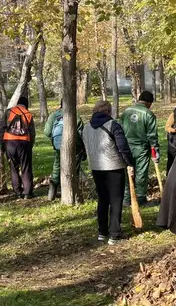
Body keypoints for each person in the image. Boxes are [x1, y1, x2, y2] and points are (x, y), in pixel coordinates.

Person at [83, 101, 135, 245]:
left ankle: (102, 232)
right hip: (113, 167)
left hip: (96, 167)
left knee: (102, 199)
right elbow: (122, 146)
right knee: (116, 200)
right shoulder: (113, 125)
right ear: (108, 111)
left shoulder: (86, 127)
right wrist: (130, 163)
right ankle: (114, 234)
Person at [121, 90, 160, 206]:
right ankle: (140, 198)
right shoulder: (148, 114)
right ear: (149, 103)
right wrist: (155, 151)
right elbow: (152, 136)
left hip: (126, 147)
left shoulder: (126, 111)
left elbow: (120, 128)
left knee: (128, 171)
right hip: (141, 148)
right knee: (140, 173)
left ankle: (127, 198)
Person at [44, 102, 85, 201]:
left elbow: (47, 131)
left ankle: (51, 193)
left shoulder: (53, 115)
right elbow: (81, 132)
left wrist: (55, 139)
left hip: (58, 144)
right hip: (75, 145)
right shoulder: (75, 115)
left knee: (57, 166)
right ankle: (72, 192)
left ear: (60, 105)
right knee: (74, 167)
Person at [0, 96, 36, 199]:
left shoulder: (8, 112)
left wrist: (2, 145)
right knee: (26, 167)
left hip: (10, 142)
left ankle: (17, 192)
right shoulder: (28, 114)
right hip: (24, 143)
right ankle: (28, 192)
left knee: (13, 168)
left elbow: (0, 129)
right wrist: (30, 146)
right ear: (26, 104)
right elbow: (32, 133)